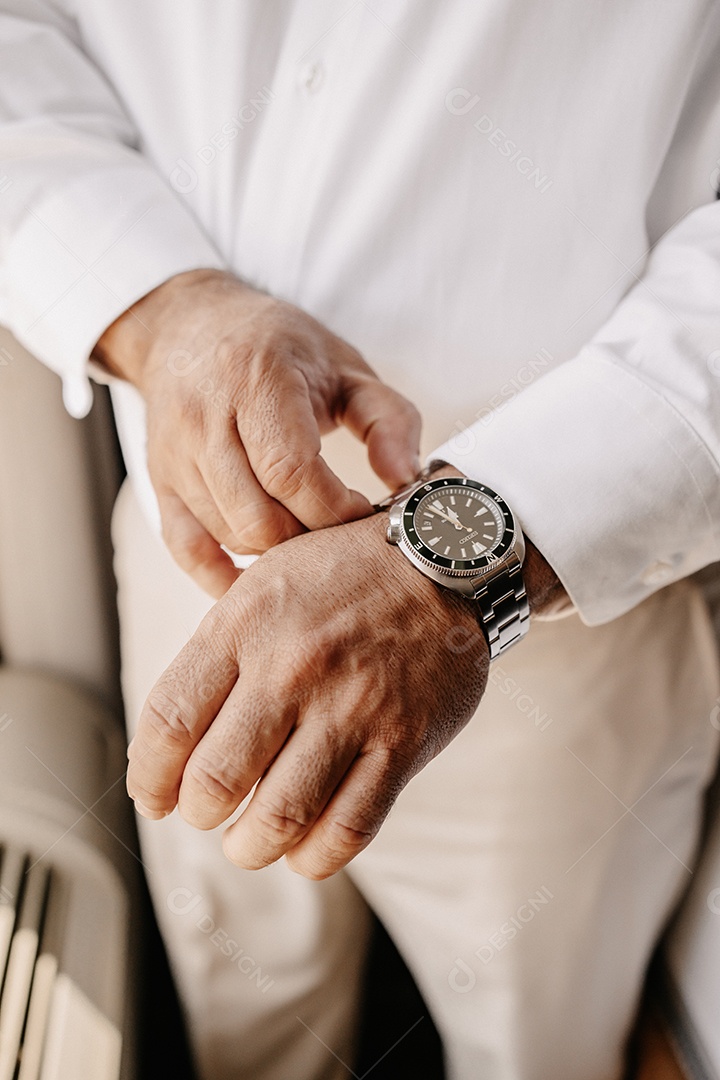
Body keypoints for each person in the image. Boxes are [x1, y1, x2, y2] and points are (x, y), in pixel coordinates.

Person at [2, 3, 720, 1078]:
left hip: (565, 638)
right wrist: (160, 305)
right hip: (193, 591)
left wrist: (474, 557)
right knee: (247, 1036)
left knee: (542, 1052)